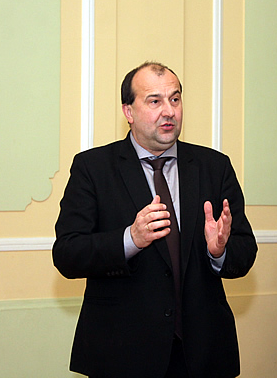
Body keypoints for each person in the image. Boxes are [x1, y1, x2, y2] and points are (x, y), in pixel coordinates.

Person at [53, 61, 258, 378]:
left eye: (175, 99)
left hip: (202, 354)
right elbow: (68, 253)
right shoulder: (93, 168)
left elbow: (245, 250)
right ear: (129, 111)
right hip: (123, 353)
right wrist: (130, 239)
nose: (169, 111)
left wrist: (219, 252)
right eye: (154, 101)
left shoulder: (214, 167)